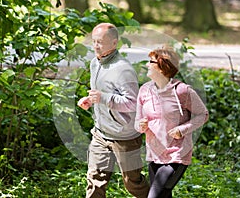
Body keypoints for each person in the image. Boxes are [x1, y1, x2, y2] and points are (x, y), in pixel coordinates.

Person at [77, 23, 149, 198]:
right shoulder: (95, 63)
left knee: (132, 182)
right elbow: (102, 93)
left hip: (125, 137)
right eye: (93, 41)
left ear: (114, 43)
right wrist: (91, 100)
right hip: (101, 134)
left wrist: (103, 98)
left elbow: (132, 103)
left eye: (100, 42)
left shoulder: (123, 69)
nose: (95, 46)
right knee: (94, 180)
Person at [134, 46, 209, 198]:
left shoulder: (182, 91)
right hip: (154, 154)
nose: (147, 64)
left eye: (151, 61)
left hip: (176, 154)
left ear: (163, 67)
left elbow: (203, 114)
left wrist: (183, 129)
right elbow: (137, 122)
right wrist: (140, 125)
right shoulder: (144, 91)